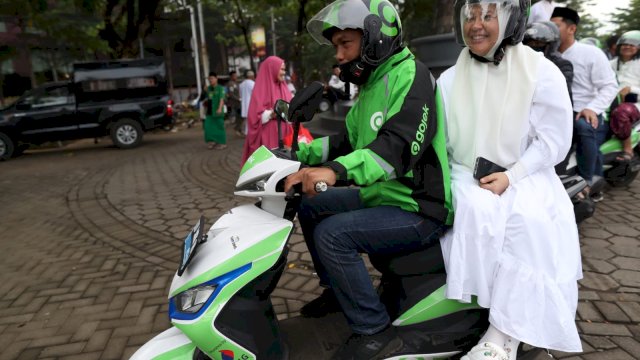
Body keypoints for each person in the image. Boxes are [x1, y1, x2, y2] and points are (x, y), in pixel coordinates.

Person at [284, 1, 452, 358]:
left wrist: (336, 171)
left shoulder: (412, 76)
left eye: (346, 43)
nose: (340, 55)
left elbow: (399, 147)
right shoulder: (372, 85)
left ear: (375, 36)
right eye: (336, 47)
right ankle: (337, 289)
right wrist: (299, 156)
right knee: (312, 206)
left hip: (418, 205)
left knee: (333, 235)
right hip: (385, 195)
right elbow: (347, 141)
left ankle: (374, 330)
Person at [438, 1, 583, 359]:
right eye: (470, 16)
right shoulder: (450, 76)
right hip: (463, 171)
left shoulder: (540, 71)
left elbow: (552, 141)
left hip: (523, 172)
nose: (476, 25)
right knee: (471, 210)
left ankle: (502, 336)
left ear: (511, 20)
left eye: (488, 15)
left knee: (528, 223)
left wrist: (511, 176)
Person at [551, 7, 618, 201]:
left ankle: (588, 182)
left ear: (571, 29)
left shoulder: (591, 53)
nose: (551, 30)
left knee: (582, 127)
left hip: (585, 110)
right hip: (558, 110)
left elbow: (609, 85)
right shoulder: (546, 52)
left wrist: (591, 108)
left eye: (556, 26)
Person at [240, 56, 293, 165]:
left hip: (286, 135)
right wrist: (271, 114)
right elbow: (253, 117)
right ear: (272, 69)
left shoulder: (284, 87)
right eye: (282, 69)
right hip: (269, 136)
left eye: (284, 69)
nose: (284, 72)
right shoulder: (260, 88)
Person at [523, 21, 574, 102]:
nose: (533, 46)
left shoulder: (563, 65)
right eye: (529, 43)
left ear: (551, 45)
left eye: (538, 43)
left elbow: (557, 93)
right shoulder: (520, 62)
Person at [610, 30, 640, 160]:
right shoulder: (611, 63)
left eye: (632, 44)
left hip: (635, 103)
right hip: (612, 100)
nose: (627, 46)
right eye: (624, 44)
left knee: (621, 112)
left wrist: (631, 89)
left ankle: (627, 148)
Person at [200, 72, 226, 150]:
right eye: (209, 79)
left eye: (212, 78)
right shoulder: (208, 88)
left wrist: (219, 108)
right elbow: (202, 98)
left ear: (216, 78)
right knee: (208, 127)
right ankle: (212, 142)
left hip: (217, 111)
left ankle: (222, 143)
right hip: (209, 111)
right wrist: (204, 91)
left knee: (219, 127)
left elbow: (222, 99)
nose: (210, 80)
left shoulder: (220, 88)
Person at [239, 70, 255, 137]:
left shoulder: (241, 84)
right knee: (251, 120)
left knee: (246, 120)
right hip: (251, 104)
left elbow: (240, 95)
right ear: (251, 76)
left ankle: (246, 132)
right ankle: (249, 133)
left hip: (244, 104)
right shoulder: (253, 83)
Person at [227, 70, 243, 137]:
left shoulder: (236, 83)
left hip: (238, 103)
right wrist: (238, 99)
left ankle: (238, 129)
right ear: (231, 76)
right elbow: (231, 94)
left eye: (236, 75)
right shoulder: (231, 84)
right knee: (239, 116)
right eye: (234, 76)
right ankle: (237, 129)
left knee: (240, 116)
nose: (236, 77)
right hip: (235, 103)